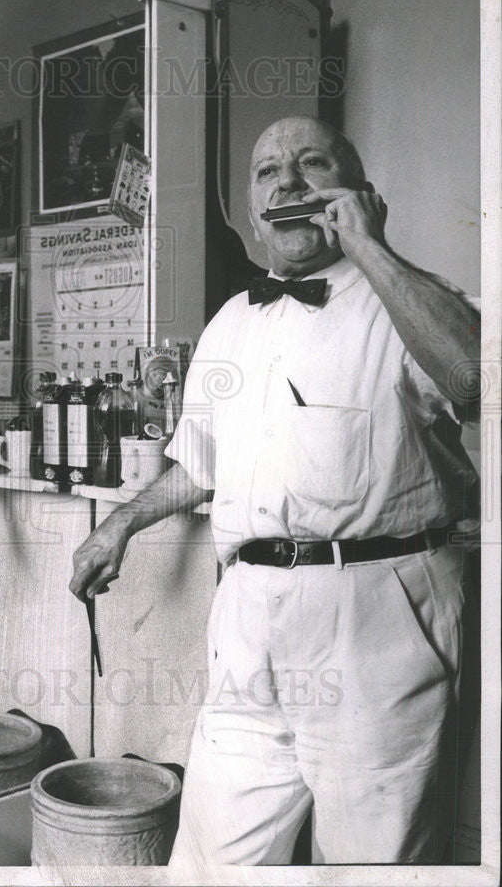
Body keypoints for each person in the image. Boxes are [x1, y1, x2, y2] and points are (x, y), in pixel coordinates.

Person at [69, 117, 480, 867]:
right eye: (265, 172)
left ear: (358, 192)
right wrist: (119, 524)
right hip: (247, 618)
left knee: (371, 862)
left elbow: (474, 378)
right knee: (211, 860)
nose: (286, 181)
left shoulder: (409, 302)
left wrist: (372, 251)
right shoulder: (230, 322)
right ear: (253, 213)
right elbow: (200, 463)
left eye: (310, 163)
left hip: (375, 614)